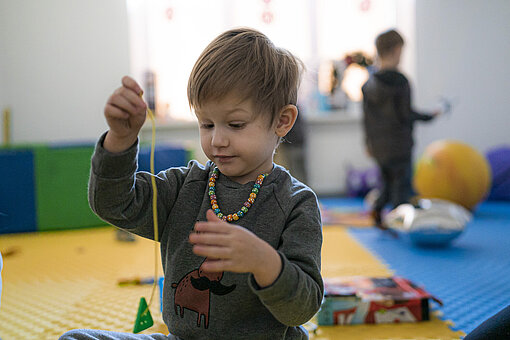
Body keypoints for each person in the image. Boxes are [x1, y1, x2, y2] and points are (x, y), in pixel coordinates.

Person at [60, 28, 323, 340]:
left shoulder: (295, 203)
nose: (217, 139)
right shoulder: (186, 186)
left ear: (282, 121)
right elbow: (114, 203)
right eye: (206, 124)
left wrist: (265, 263)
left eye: (235, 125)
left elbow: (302, 309)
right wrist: (120, 139)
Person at [361, 29, 439, 230]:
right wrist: (430, 116)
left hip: (378, 145)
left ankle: (378, 215)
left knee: (386, 184)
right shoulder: (401, 82)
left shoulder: (369, 84)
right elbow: (406, 114)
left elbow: (367, 120)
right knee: (401, 187)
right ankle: (399, 223)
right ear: (397, 50)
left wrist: (368, 143)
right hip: (399, 145)